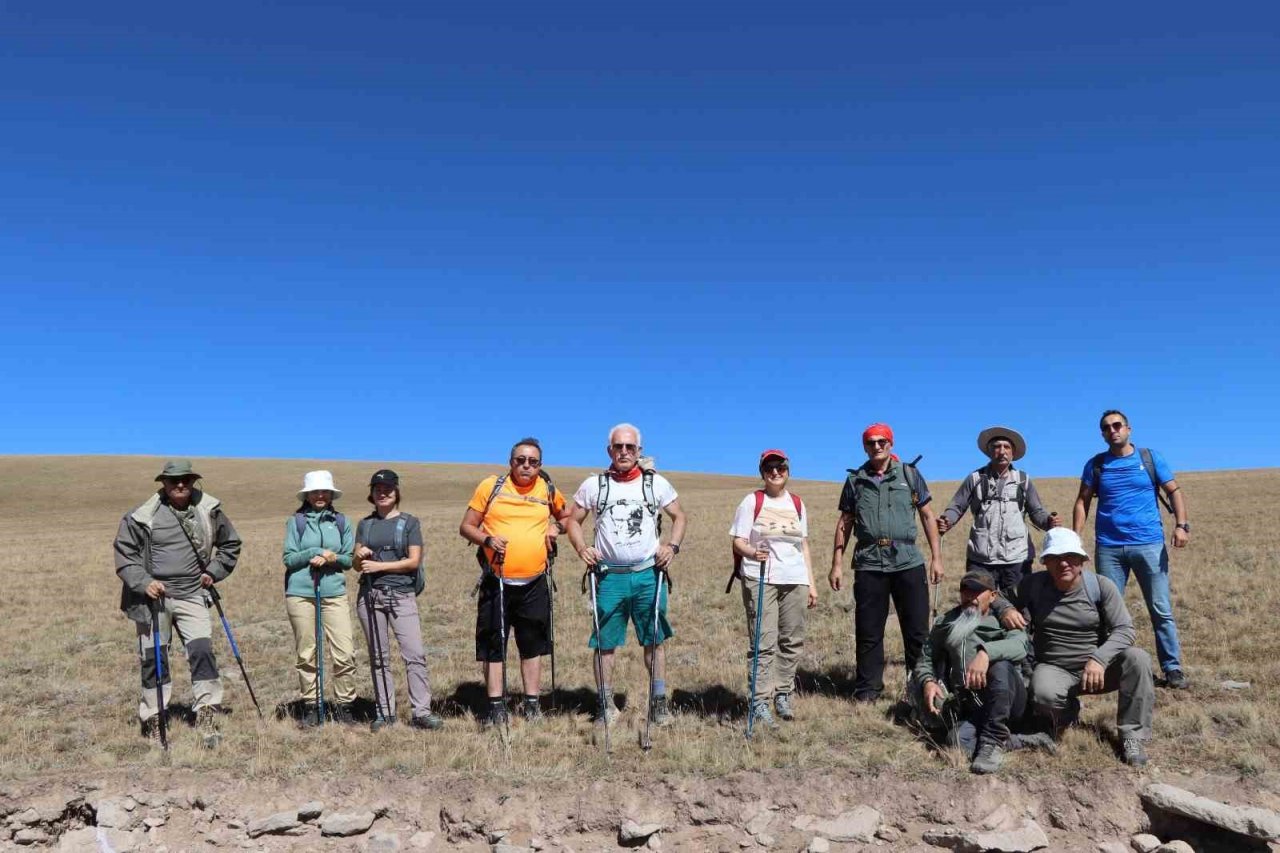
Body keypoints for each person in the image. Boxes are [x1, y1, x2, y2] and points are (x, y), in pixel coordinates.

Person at [997, 528, 1155, 767]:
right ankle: (1067, 712)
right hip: (1053, 667)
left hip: (1098, 670)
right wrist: (1006, 609)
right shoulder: (1033, 585)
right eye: (1055, 558)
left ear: (1082, 560)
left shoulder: (1101, 586)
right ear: (1046, 562)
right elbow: (997, 596)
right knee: (1042, 693)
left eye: (1070, 556)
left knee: (1138, 660)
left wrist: (1099, 659)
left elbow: (1125, 630)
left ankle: (1132, 737)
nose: (1063, 563)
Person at [565, 423, 688, 726]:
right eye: (618, 447)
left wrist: (671, 547)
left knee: (654, 639)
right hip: (608, 577)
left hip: (648, 574)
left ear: (638, 451)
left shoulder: (655, 483)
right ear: (609, 450)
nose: (623, 452)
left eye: (629, 447)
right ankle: (606, 705)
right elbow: (572, 520)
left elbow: (679, 516)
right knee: (604, 642)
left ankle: (659, 703)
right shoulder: (595, 485)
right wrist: (582, 548)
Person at [113, 460, 242, 747]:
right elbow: (125, 554)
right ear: (163, 483)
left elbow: (230, 545)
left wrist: (212, 572)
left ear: (193, 481)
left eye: (186, 480)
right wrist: (144, 581)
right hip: (152, 599)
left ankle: (207, 715)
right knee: (153, 659)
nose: (180, 485)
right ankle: (154, 718)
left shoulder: (209, 511)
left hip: (193, 595)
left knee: (202, 652)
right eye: (174, 481)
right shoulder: (141, 515)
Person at [1073, 409, 1190, 689]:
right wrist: (1075, 539)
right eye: (1106, 428)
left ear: (1128, 429)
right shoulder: (1096, 465)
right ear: (1102, 434)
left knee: (1160, 608)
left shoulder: (1150, 458)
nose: (1112, 430)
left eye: (1117, 425)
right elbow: (1082, 501)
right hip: (1109, 548)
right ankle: (1106, 668)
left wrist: (1181, 525)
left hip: (1149, 545)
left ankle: (1172, 668)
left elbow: (1174, 490)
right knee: (1105, 612)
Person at [829, 423, 943, 703]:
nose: (876, 446)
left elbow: (928, 516)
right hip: (869, 563)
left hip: (907, 561)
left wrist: (936, 558)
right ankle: (868, 689)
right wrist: (836, 563)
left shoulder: (909, 474)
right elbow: (845, 523)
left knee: (917, 630)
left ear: (891, 444)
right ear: (864, 447)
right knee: (869, 630)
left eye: (882, 441)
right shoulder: (856, 481)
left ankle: (920, 688)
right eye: (870, 443)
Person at [460, 438, 570, 728]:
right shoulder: (491, 487)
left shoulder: (547, 489)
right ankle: (496, 706)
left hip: (534, 582)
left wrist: (554, 526)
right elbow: (467, 525)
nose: (526, 466)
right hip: (496, 579)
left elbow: (569, 516)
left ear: (540, 465)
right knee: (493, 644)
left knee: (532, 644)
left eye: (532, 462)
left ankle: (532, 703)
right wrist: (487, 539)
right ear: (511, 462)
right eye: (520, 460)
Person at [911, 569, 1055, 774]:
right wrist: (928, 681)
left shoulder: (1005, 620)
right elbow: (926, 657)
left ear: (993, 596)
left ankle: (993, 738)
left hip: (1010, 700)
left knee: (1000, 665)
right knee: (956, 742)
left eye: (977, 592)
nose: (970, 597)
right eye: (965, 591)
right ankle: (1017, 741)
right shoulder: (946, 622)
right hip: (972, 705)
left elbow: (1020, 645)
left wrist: (986, 653)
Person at [729, 449, 817, 727]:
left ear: (788, 470)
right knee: (763, 643)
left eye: (780, 467)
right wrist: (753, 552)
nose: (775, 472)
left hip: (795, 579)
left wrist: (811, 583)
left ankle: (783, 694)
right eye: (770, 468)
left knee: (792, 641)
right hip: (761, 577)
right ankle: (759, 703)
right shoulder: (752, 502)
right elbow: (738, 541)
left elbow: (803, 544)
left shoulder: (798, 504)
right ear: (762, 473)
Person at [355, 469, 442, 732]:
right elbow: (357, 565)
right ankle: (385, 713)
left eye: (388, 488)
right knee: (379, 657)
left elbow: (414, 561)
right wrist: (359, 556)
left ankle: (422, 712)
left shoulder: (410, 523)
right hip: (369, 596)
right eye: (378, 488)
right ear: (371, 493)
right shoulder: (364, 524)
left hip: (401, 596)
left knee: (414, 654)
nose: (383, 493)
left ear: (396, 492)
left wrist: (379, 567)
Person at [936, 426, 1061, 597]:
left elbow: (1036, 511)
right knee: (977, 606)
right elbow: (956, 506)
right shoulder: (975, 478)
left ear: (1013, 452)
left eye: (1006, 447)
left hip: (1017, 558)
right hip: (980, 559)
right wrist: (947, 520)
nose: (1001, 451)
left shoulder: (1023, 480)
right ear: (989, 451)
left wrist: (1049, 522)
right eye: (996, 447)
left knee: (1017, 607)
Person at [282, 470, 357, 726]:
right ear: (308, 494)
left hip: (334, 593)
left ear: (331, 494)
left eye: (324, 491)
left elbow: (350, 559)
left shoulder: (342, 522)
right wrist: (314, 551)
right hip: (301, 594)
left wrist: (331, 557)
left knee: (344, 652)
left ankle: (345, 705)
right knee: (307, 653)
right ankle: (312, 705)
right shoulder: (297, 522)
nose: (320, 495)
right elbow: (289, 559)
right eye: (315, 491)